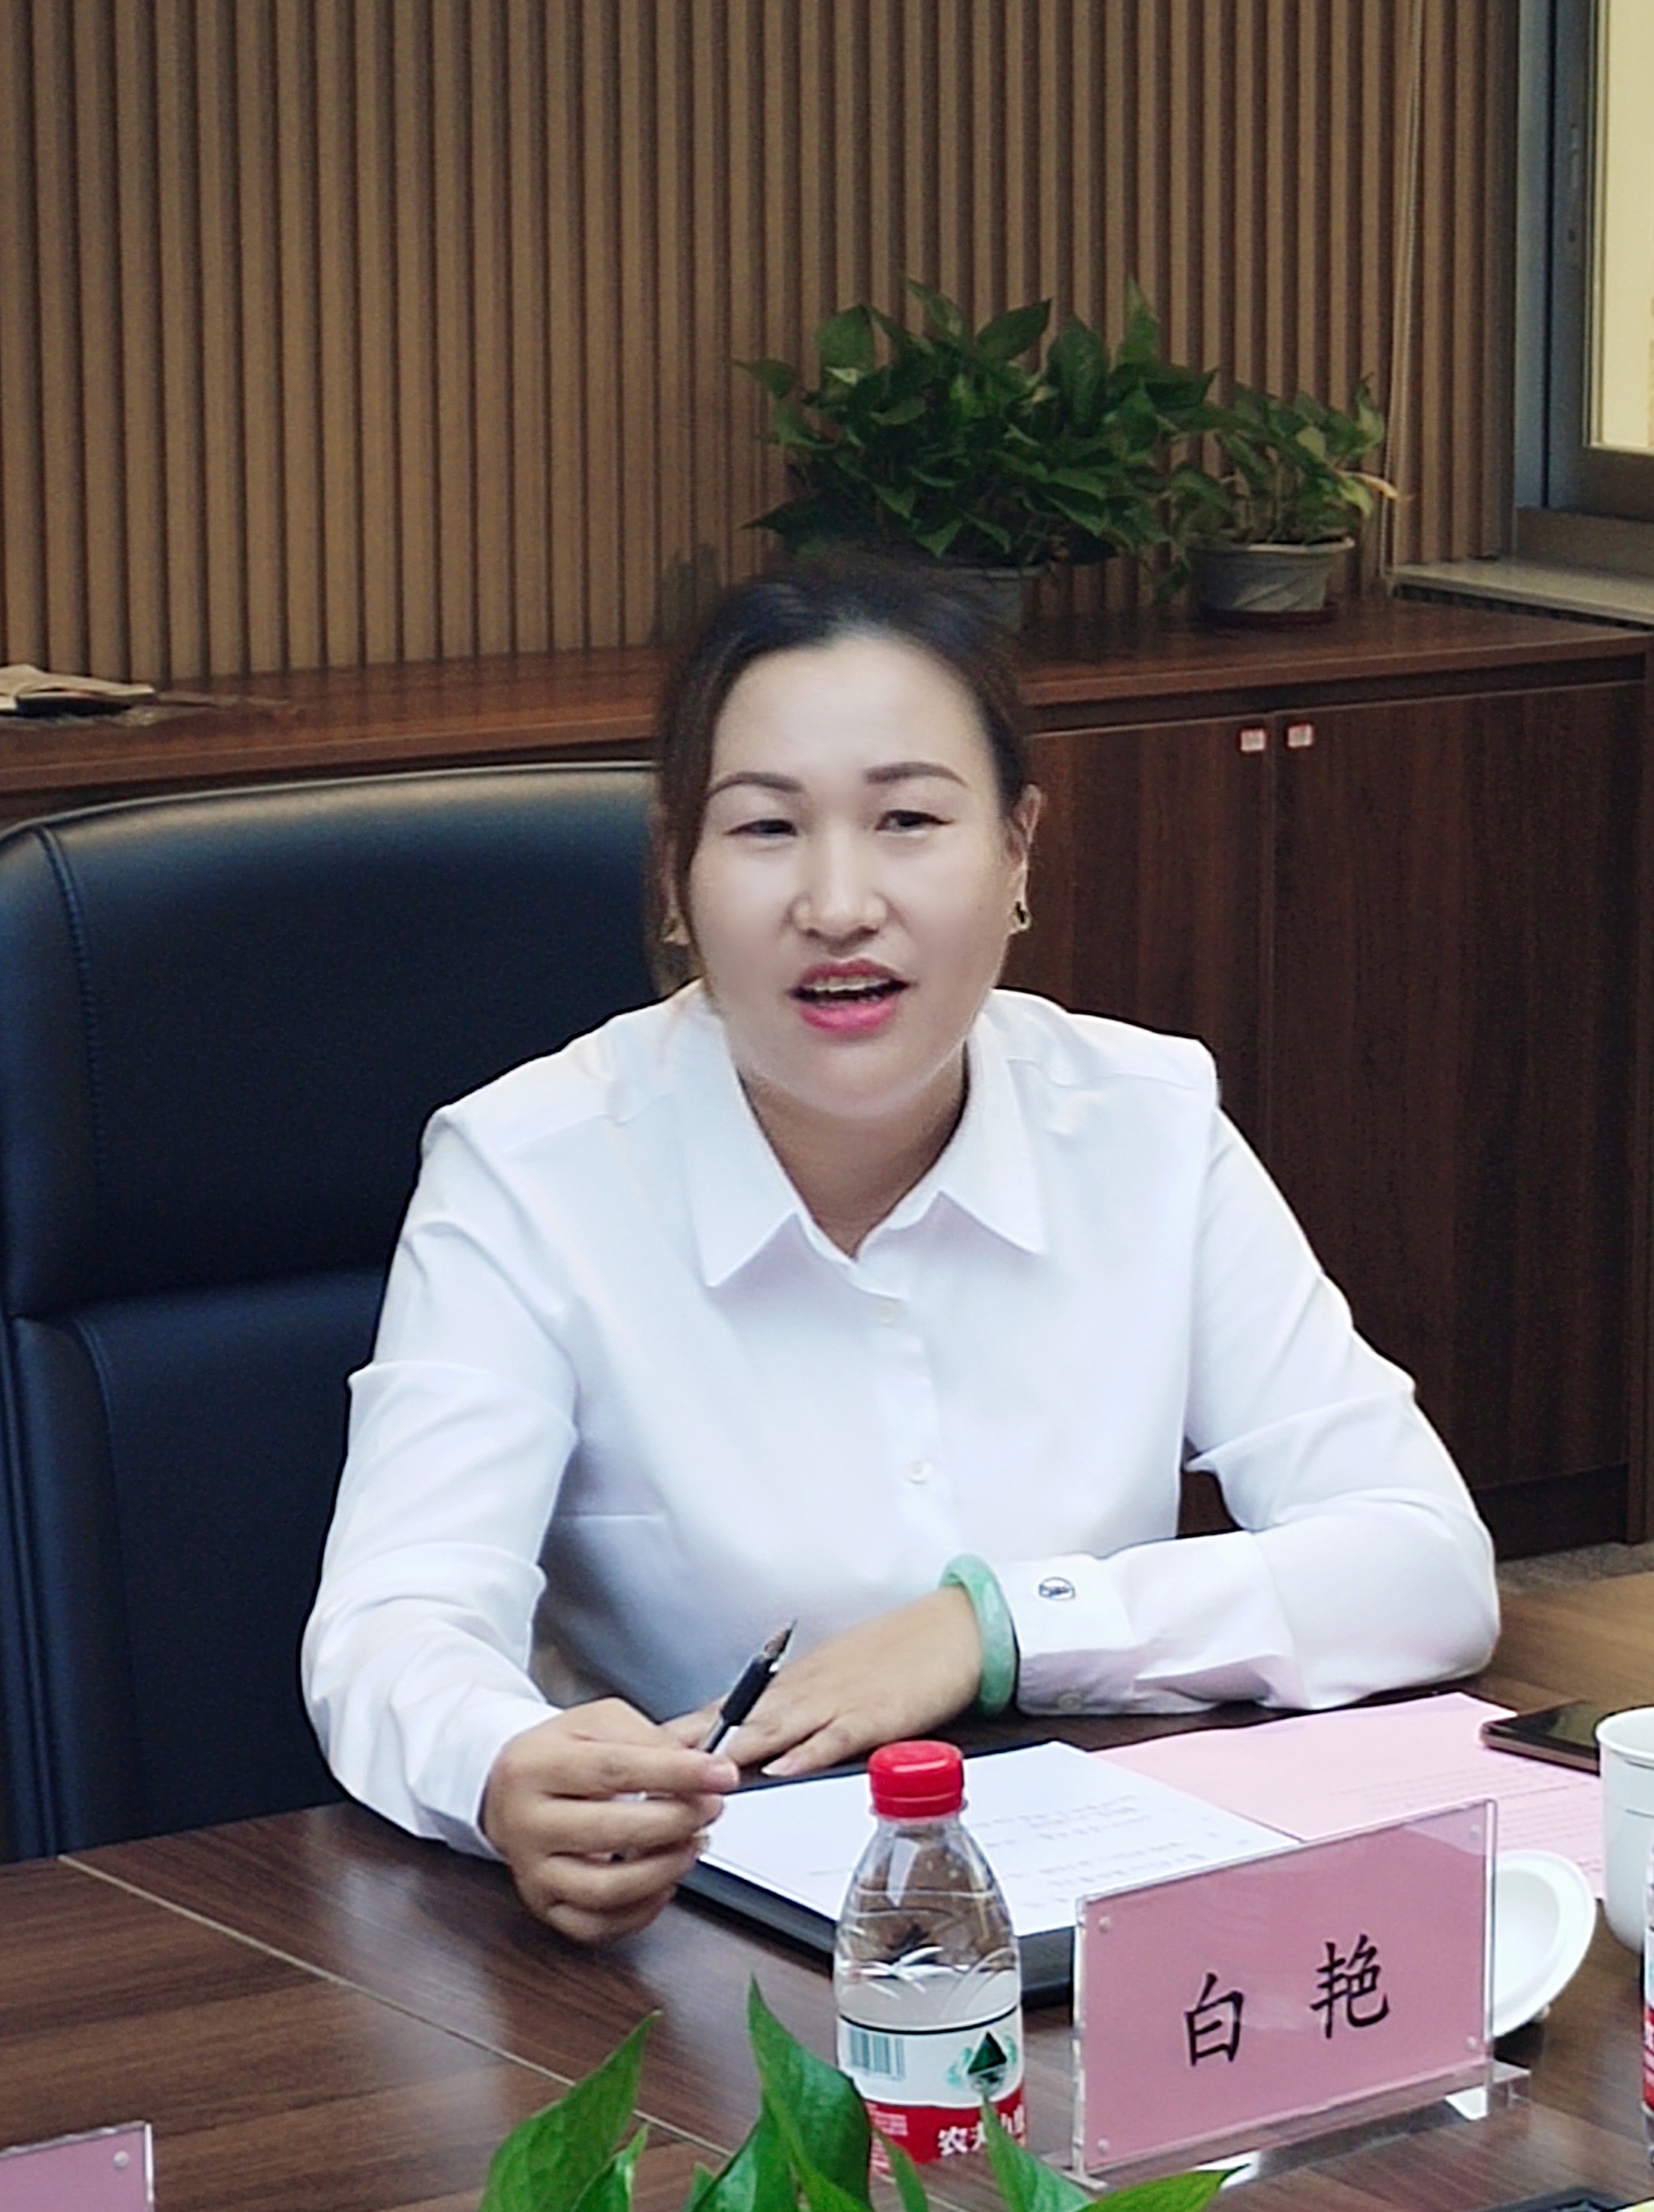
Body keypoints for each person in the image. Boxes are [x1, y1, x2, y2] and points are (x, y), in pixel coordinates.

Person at [302, 552, 1498, 1946]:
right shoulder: (530, 1170)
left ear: (1017, 849)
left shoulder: (1145, 1124)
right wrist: (499, 1765)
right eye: (765, 827)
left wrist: (994, 1626)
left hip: (1095, 1911)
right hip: (701, 1939)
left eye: (908, 819)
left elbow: (1424, 1564)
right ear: (677, 876)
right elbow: (392, 1624)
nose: (837, 901)